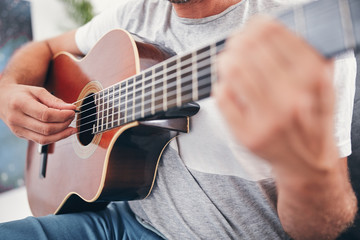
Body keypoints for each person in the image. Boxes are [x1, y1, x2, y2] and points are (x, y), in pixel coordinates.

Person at [0, 0, 357, 239]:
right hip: (122, 220)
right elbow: (43, 48)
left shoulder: (298, 32)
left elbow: (321, 229)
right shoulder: (138, 14)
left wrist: (301, 166)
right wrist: (8, 90)